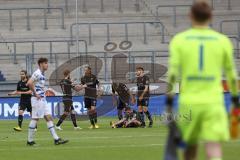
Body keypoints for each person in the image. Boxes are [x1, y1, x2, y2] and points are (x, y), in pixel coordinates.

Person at [167, 1, 239, 160]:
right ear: (211, 16)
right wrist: (235, 98)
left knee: (189, 147)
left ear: (190, 16)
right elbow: (232, 75)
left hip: (189, 102)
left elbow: (172, 73)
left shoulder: (179, 40)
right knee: (213, 147)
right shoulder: (222, 41)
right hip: (214, 102)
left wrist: (170, 100)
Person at [26, 57, 68, 146]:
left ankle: (56, 139)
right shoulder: (37, 73)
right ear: (41, 64)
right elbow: (29, 83)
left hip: (42, 99)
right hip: (37, 100)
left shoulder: (42, 75)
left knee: (49, 118)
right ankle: (30, 141)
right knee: (35, 119)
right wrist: (35, 93)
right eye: (45, 63)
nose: (47, 65)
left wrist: (42, 90)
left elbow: (36, 85)